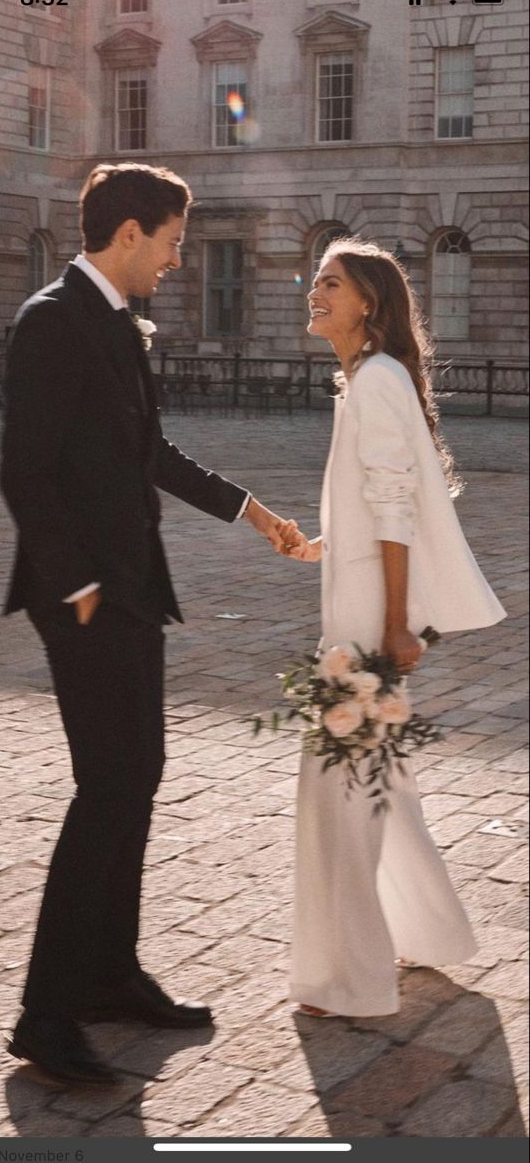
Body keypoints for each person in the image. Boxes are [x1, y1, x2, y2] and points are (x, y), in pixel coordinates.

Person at [0, 162, 300, 1084]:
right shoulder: (50, 321)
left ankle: (111, 975)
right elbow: (27, 474)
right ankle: (46, 1017)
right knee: (108, 790)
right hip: (86, 599)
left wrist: (249, 510)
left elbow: (148, 451)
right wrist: (80, 586)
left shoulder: (115, 324)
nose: (175, 261)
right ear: (129, 232)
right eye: (172, 242)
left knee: (138, 779)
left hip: (133, 589)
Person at [287, 237, 506, 1018]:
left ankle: (348, 977)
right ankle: (426, 930)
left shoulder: (375, 381)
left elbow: (395, 507)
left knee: (336, 795)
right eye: (314, 278)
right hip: (356, 598)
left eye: (330, 282)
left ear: (367, 305)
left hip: (364, 619)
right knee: (379, 784)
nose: (313, 291)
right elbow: (377, 502)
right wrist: (321, 542)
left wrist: (391, 628)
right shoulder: (367, 382)